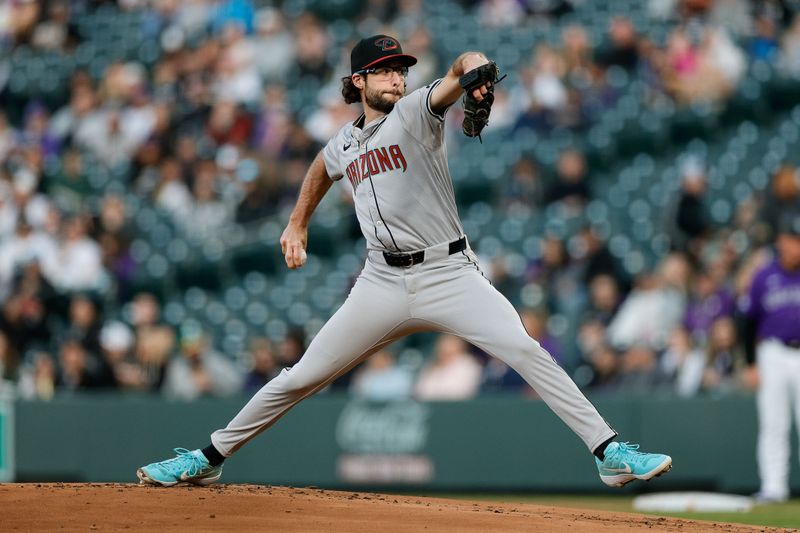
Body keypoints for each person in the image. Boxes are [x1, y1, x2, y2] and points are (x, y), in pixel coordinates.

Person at [137, 34, 671, 488]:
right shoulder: (344, 143)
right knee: (300, 377)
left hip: (449, 273)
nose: (395, 76)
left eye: (399, 68)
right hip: (381, 281)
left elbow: (459, 67)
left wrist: (476, 70)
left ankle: (609, 454)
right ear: (357, 83)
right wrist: (297, 221)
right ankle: (207, 459)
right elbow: (321, 170)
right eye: (383, 70)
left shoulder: (417, 111)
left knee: (525, 350)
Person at [740, 211, 800, 504]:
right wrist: (750, 363)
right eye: (792, 239)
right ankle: (774, 487)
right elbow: (747, 322)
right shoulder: (765, 275)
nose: (796, 246)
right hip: (773, 352)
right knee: (774, 423)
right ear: (781, 241)